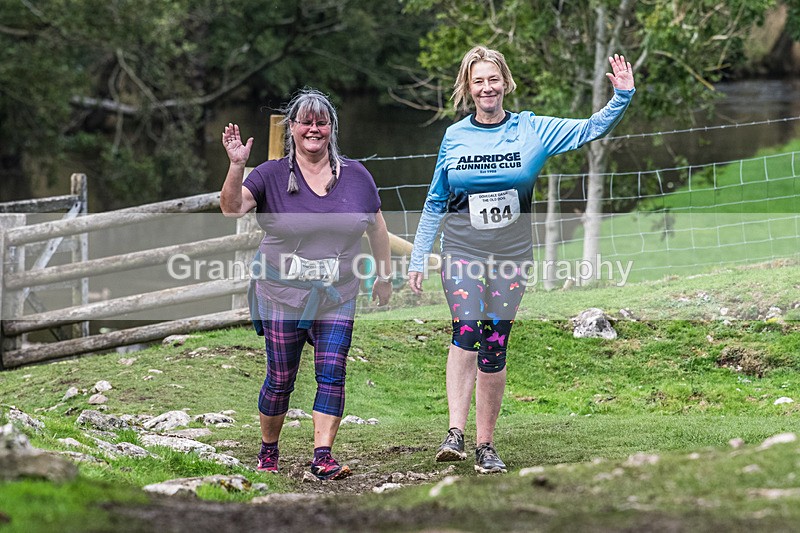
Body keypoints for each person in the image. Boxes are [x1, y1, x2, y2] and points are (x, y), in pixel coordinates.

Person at [408, 46, 635, 474]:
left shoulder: (533, 130)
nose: (487, 87)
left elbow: (590, 128)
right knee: (469, 327)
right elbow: (436, 199)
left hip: (511, 256)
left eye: (493, 79)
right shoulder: (455, 136)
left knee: (495, 344)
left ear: (505, 82)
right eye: (478, 81)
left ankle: (485, 444)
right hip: (462, 250)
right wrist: (419, 256)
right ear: (468, 88)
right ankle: (454, 434)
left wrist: (621, 96)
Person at [220, 88, 393, 480]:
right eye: (306, 122)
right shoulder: (270, 175)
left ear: (331, 128)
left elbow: (378, 229)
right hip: (282, 292)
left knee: (332, 370)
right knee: (281, 378)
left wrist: (384, 277)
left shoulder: (357, 176)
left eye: (321, 121)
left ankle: (323, 456)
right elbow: (231, 208)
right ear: (292, 128)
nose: (313, 129)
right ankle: (268, 450)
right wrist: (236, 166)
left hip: (338, 292)